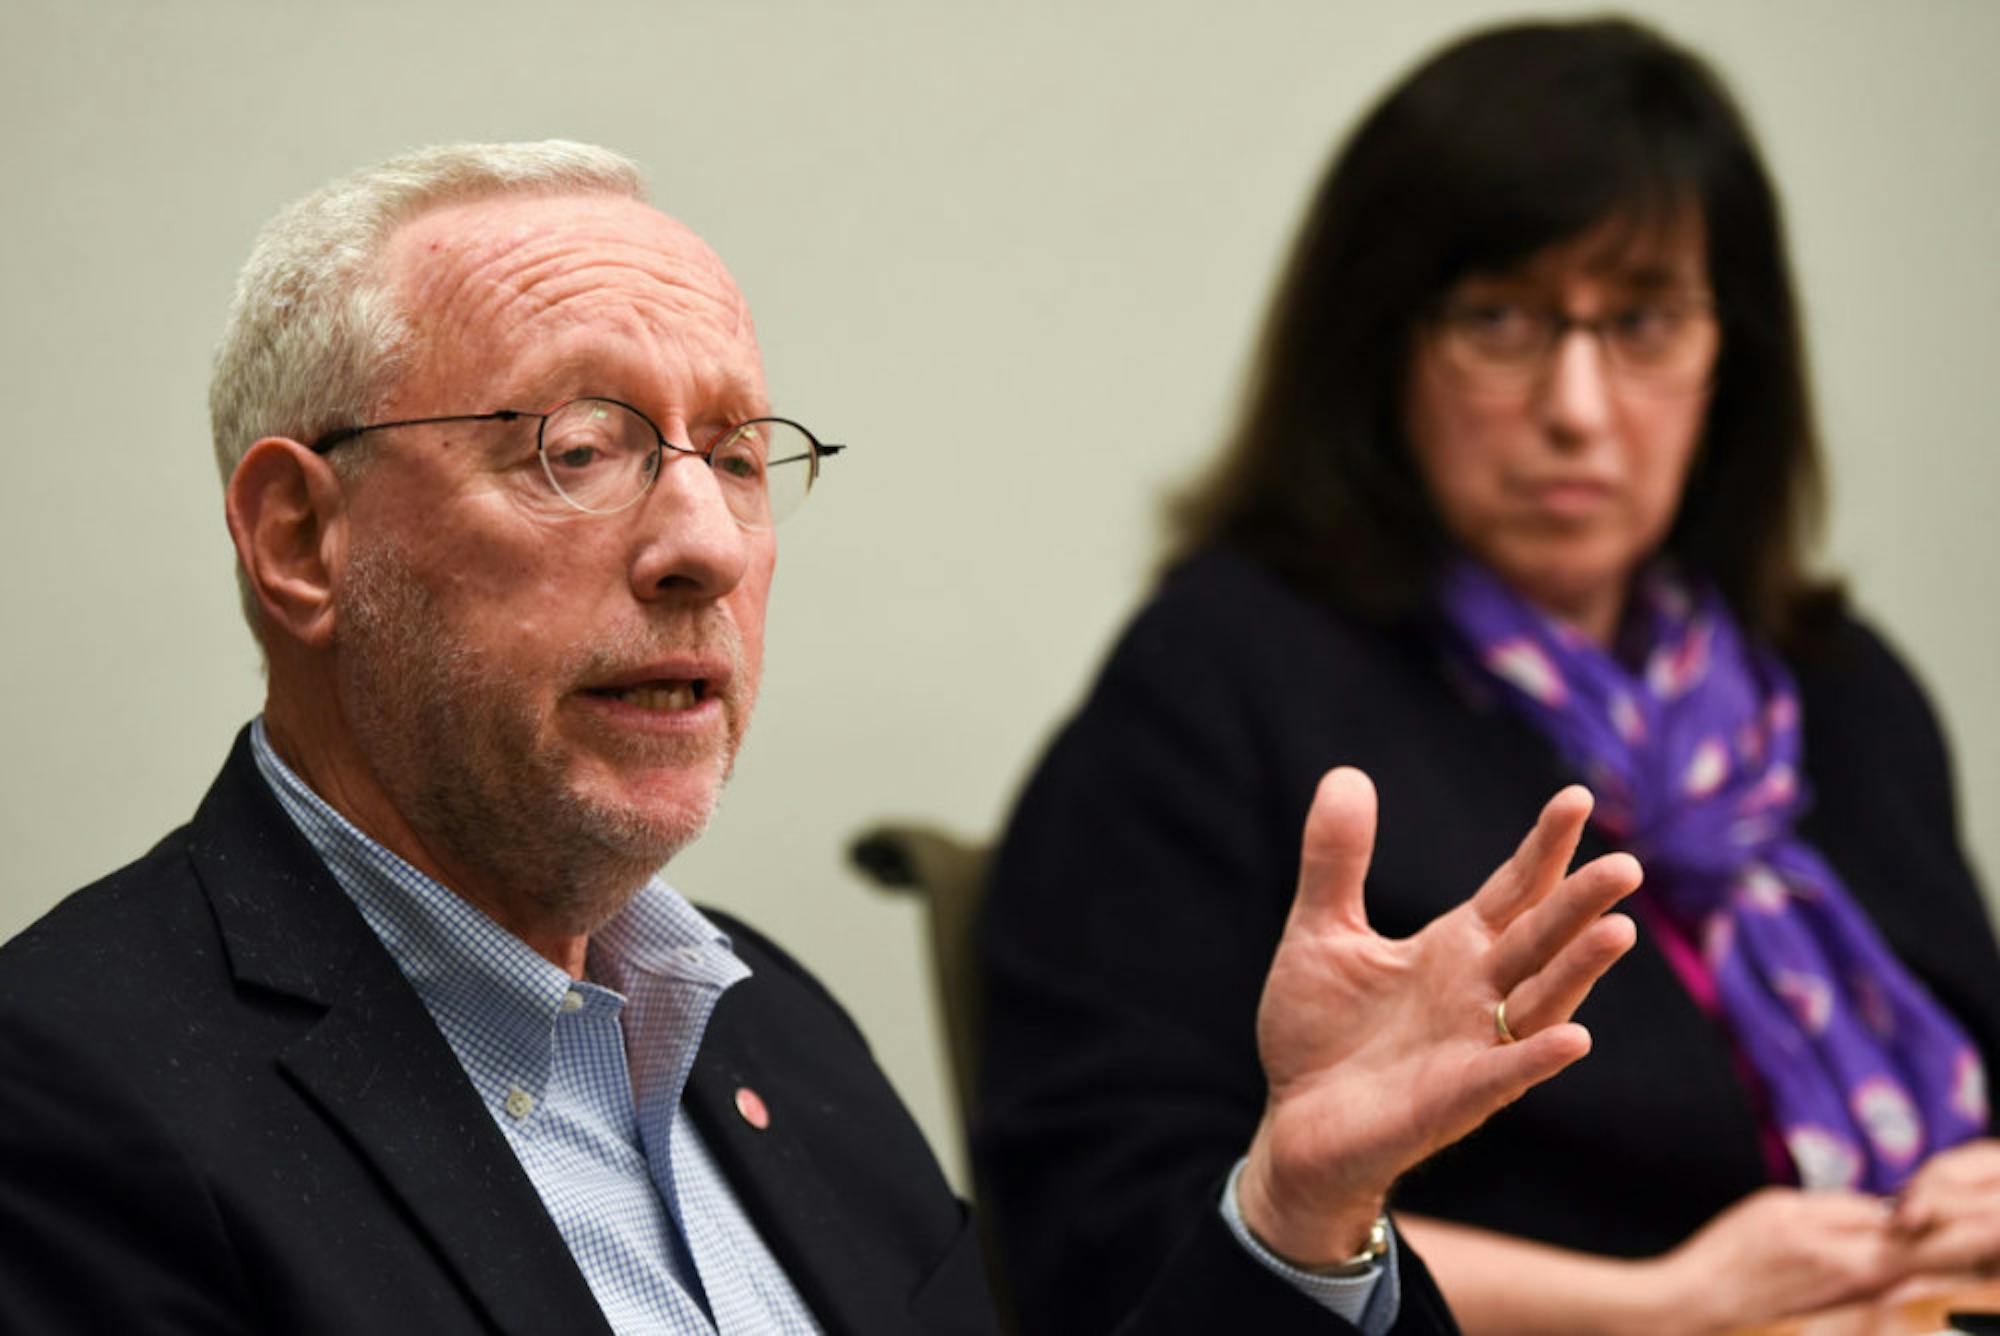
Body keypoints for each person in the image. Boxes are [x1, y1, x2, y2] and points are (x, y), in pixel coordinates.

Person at [0, 139, 1639, 1335]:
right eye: (582, 446)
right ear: (301, 540)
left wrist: (1296, 1212)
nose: (703, 541)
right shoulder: (73, 1100)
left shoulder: (771, 1033)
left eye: (734, 450)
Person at [977, 17, 2000, 1336]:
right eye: (1502, 319)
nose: (1578, 404)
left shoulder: (1838, 692)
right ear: (1381, 347)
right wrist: (1661, 1307)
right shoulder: (1222, 677)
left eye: (1642, 321)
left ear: (1729, 358)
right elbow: (1126, 1234)